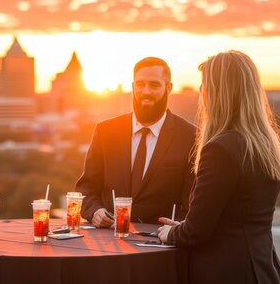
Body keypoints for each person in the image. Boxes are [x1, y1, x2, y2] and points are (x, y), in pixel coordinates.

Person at [157, 51, 280, 284]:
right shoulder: (265, 143)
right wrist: (185, 227)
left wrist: (170, 234)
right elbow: (235, 217)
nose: (202, 95)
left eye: (205, 87)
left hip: (227, 283)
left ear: (218, 93)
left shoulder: (220, 149)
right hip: (263, 275)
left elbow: (197, 230)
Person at [76, 57, 196, 226]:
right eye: (140, 84)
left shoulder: (191, 136)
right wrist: (95, 211)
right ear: (132, 86)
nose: (145, 91)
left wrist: (178, 229)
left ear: (168, 88)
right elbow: (86, 188)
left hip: (160, 244)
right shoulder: (106, 131)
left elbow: (192, 201)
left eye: (154, 85)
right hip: (109, 241)